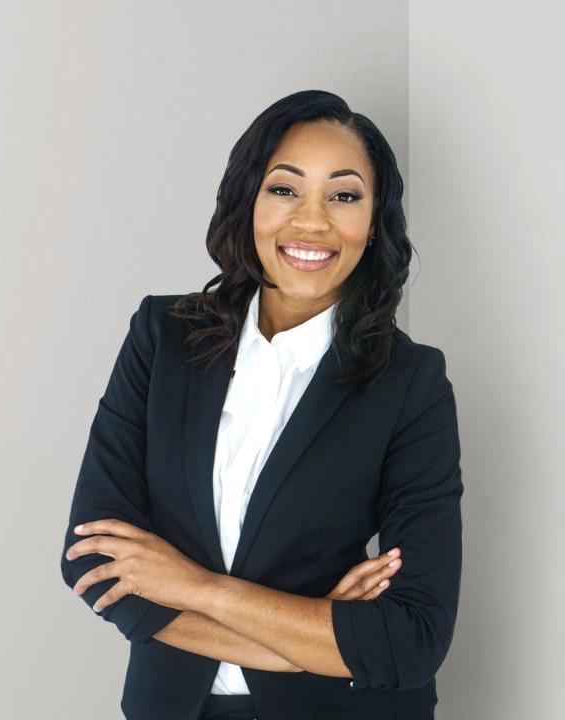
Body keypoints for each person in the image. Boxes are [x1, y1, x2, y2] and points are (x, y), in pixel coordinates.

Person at [60, 89, 463, 720]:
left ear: (374, 219)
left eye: (345, 195)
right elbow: (92, 559)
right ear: (248, 200)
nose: (312, 220)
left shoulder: (410, 383)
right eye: (284, 189)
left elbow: (410, 639)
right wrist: (299, 645)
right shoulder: (162, 336)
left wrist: (193, 586)